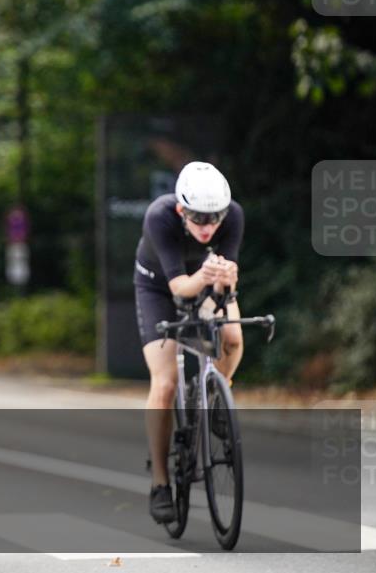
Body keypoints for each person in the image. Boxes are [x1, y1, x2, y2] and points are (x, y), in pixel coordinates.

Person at [134, 161, 244, 524]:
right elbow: (180, 288)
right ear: (182, 211)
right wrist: (208, 274)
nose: (208, 227)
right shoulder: (160, 216)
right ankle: (160, 482)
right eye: (198, 218)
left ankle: (216, 395)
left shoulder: (233, 216)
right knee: (165, 383)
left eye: (215, 218)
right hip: (159, 288)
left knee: (232, 338)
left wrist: (226, 279)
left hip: (204, 279)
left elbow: (224, 291)